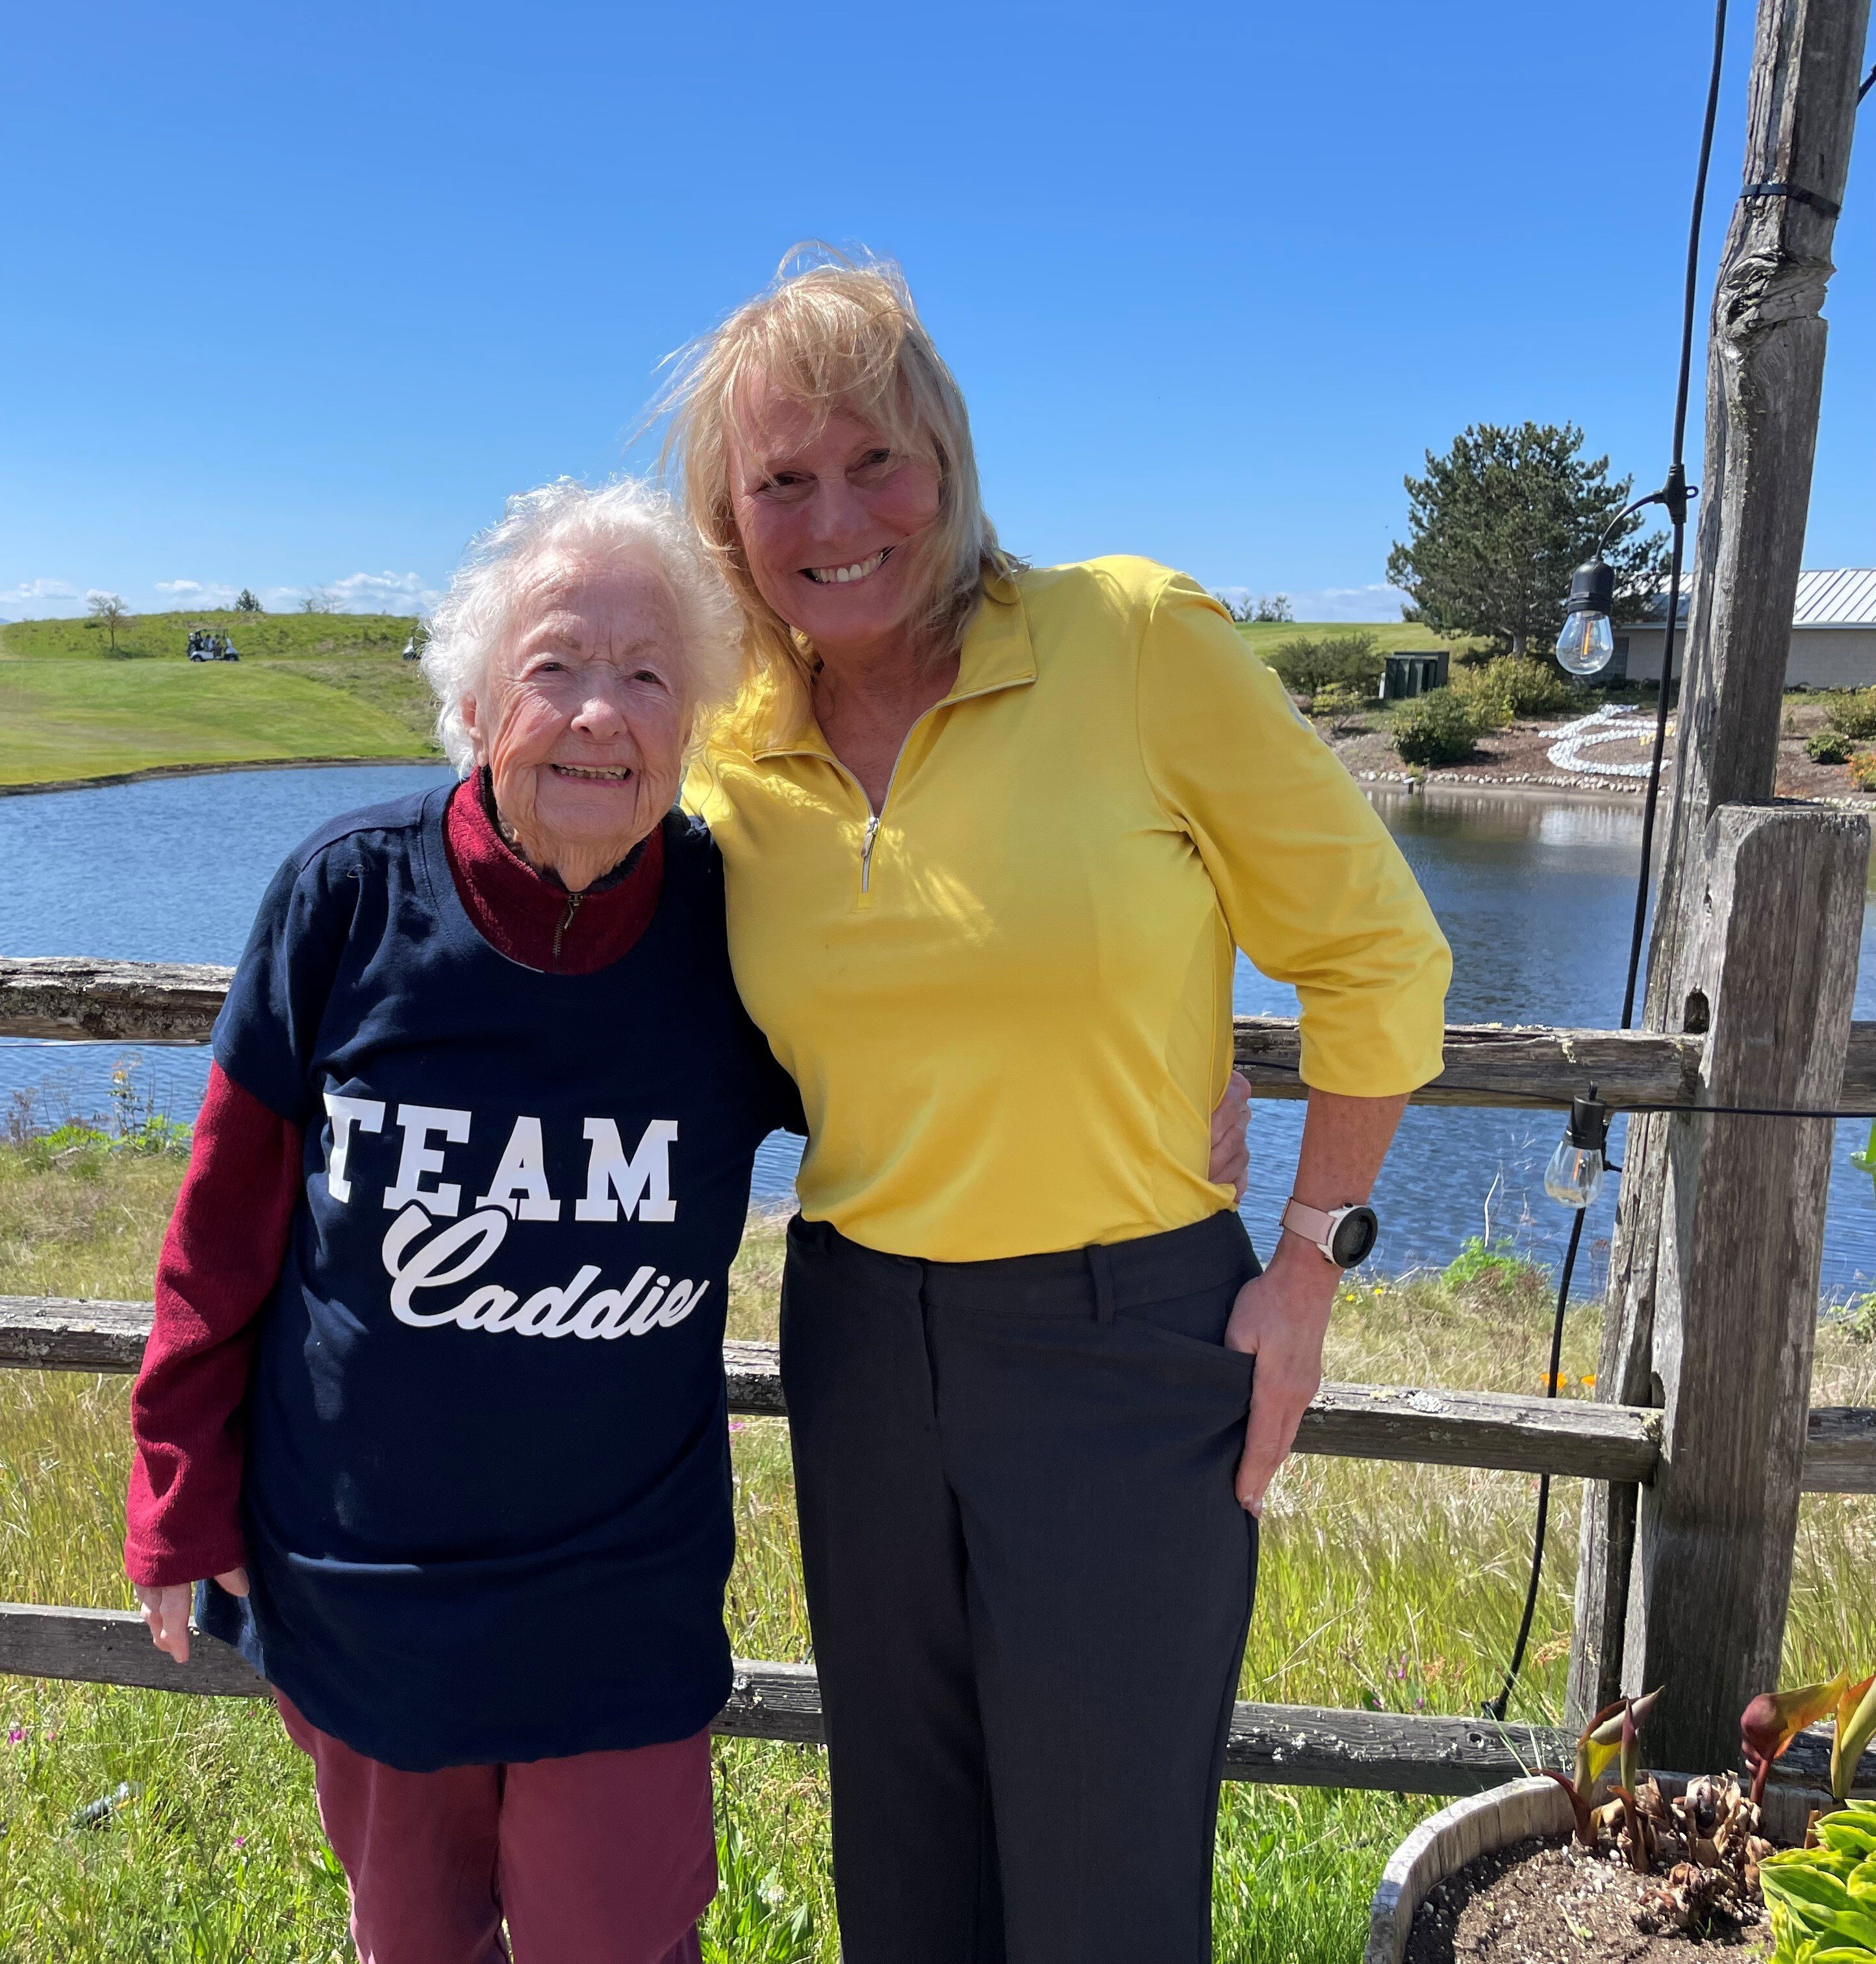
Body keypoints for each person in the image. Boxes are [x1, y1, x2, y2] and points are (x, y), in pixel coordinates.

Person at [123, 477, 1256, 1964]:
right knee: (411, 1941)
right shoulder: (344, 904)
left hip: (620, 1597)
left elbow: (932, 1017)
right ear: (474, 701)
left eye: (648, 677)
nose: (600, 716)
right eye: (555, 671)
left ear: (697, 725)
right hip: (369, 1585)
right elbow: (221, 1231)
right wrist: (175, 1494)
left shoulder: (732, 926)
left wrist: (1175, 1033)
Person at [667, 253, 1451, 1964]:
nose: (837, 514)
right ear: (726, 519)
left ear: (947, 459)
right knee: (904, 1861)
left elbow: (1379, 958)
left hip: (1128, 1339)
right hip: (861, 1333)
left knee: (1104, 1887)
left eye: (875, 458)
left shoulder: (1131, 640)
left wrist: (1308, 1267)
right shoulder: (716, 742)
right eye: (781, 479)